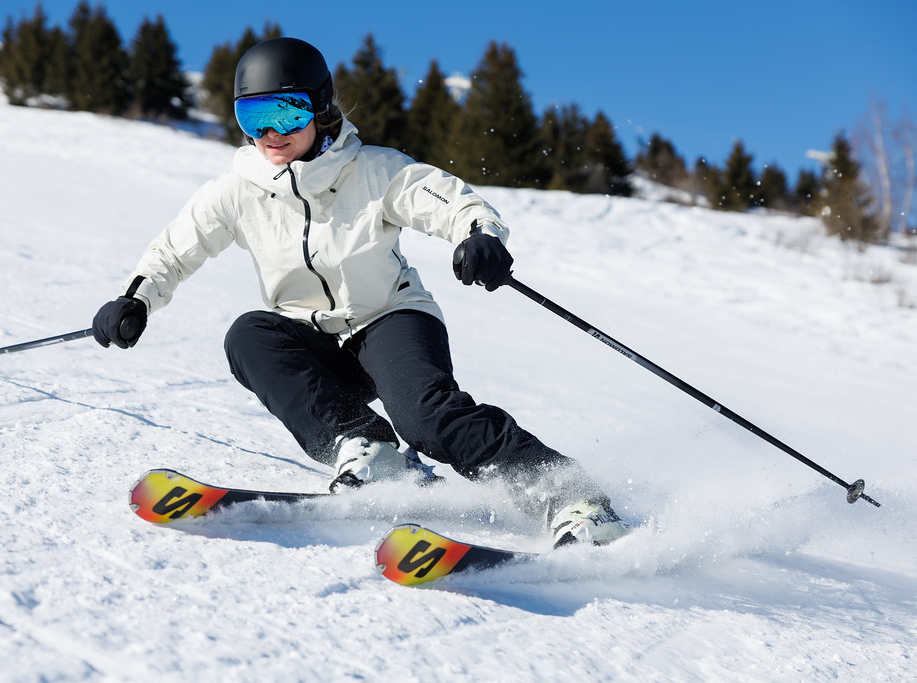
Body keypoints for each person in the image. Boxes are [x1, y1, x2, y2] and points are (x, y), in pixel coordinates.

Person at [93, 37, 628, 547]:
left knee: (427, 419)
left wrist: (478, 236)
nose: (270, 133)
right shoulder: (238, 190)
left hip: (390, 318)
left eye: (286, 113)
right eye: (253, 118)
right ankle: (369, 447)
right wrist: (135, 298)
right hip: (312, 337)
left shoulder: (373, 169)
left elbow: (446, 200)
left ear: (320, 108)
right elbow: (172, 250)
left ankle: (575, 499)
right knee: (249, 334)